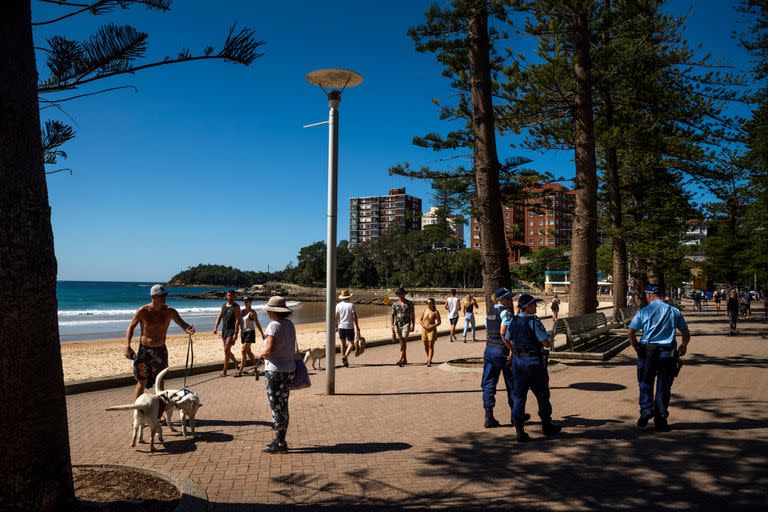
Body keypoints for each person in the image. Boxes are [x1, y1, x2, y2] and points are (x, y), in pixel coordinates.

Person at [627, 284, 691, 432]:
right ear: (662, 294)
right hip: (667, 352)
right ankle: (661, 419)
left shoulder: (643, 311)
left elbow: (630, 333)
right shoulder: (674, 311)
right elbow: (685, 332)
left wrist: (637, 349)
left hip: (648, 352)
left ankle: (646, 410)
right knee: (664, 385)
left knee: (645, 381)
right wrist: (684, 345)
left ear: (649, 295)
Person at [124, 284, 195, 399]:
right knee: (141, 381)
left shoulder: (170, 311)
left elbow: (183, 325)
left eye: (165, 295)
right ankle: (138, 412)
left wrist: (189, 329)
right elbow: (131, 327)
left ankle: (160, 413)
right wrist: (127, 346)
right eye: (160, 296)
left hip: (161, 351)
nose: (163, 298)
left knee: (160, 381)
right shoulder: (143, 311)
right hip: (144, 351)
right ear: (153, 296)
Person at [508, 293, 562, 442]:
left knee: (519, 396)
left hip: (518, 362)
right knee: (542, 394)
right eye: (533, 304)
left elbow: (507, 337)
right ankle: (546, 425)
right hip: (534, 363)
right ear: (527, 307)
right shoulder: (534, 322)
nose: (535, 306)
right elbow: (545, 342)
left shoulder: (513, 321)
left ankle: (519, 430)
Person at [257, 296, 297, 454]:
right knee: (284, 405)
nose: (267, 311)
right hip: (289, 369)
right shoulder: (290, 324)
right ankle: (280, 437)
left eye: (268, 309)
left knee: (276, 407)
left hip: (274, 371)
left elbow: (270, 348)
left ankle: (280, 443)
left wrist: (262, 354)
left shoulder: (273, 326)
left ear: (273, 311)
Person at [481, 288, 516, 428]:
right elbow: (503, 332)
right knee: (512, 383)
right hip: (502, 350)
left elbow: (487, 328)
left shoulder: (490, 312)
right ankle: (516, 415)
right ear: (501, 299)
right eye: (508, 298)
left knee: (488, 383)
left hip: (489, 349)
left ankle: (489, 416)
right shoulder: (506, 313)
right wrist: (511, 350)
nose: (510, 301)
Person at [212, 290, 241, 376]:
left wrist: (236, 333)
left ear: (234, 297)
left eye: (231, 296)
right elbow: (219, 316)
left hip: (232, 331)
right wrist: (215, 327)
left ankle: (227, 369)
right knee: (226, 351)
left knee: (226, 349)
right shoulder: (224, 305)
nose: (230, 297)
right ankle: (233, 365)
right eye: (228, 295)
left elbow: (237, 320)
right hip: (224, 330)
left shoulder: (236, 306)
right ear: (226, 296)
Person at [235, 296, 264, 377]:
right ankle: (255, 368)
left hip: (250, 332)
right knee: (248, 352)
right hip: (244, 333)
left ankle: (240, 371)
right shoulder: (242, 311)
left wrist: (262, 333)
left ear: (250, 302)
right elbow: (240, 323)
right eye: (244, 301)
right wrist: (239, 332)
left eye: (246, 301)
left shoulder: (252, 312)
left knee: (243, 350)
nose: (245, 302)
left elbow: (257, 323)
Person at [335, 289, 362, 367]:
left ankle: (343, 359)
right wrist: (357, 326)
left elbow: (336, 317)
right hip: (349, 327)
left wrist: (336, 326)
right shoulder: (351, 305)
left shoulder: (338, 305)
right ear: (348, 297)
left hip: (341, 327)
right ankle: (345, 356)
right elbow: (354, 316)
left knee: (342, 343)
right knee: (351, 344)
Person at [391, 287, 415, 367]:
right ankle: (405, 359)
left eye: (401, 294)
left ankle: (401, 359)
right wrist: (392, 325)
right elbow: (392, 315)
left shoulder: (409, 303)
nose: (400, 295)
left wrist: (413, 325)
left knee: (404, 340)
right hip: (398, 324)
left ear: (404, 294)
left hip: (406, 324)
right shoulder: (395, 304)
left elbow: (412, 315)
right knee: (402, 342)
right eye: (399, 294)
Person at [420, 298, 442, 367]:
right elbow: (420, 320)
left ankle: (429, 361)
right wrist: (423, 326)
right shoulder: (425, 310)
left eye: (430, 303)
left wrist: (432, 326)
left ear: (433, 303)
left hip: (432, 330)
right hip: (424, 329)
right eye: (427, 303)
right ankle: (429, 358)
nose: (428, 304)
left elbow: (439, 322)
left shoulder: (436, 312)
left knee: (430, 345)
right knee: (425, 345)